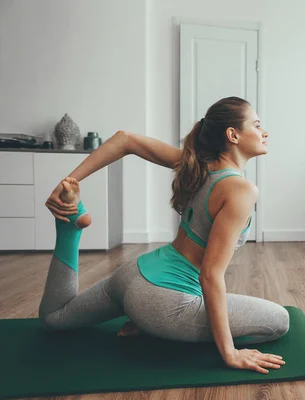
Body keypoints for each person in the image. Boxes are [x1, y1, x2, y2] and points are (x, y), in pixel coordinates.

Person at [40, 96, 289, 375]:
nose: (264, 131)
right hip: (163, 302)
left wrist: (67, 182)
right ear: (233, 135)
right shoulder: (241, 190)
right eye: (256, 125)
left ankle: (69, 227)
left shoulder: (195, 165)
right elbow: (210, 276)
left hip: (132, 276)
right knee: (279, 320)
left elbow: (125, 140)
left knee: (55, 317)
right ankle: (150, 323)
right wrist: (229, 353)